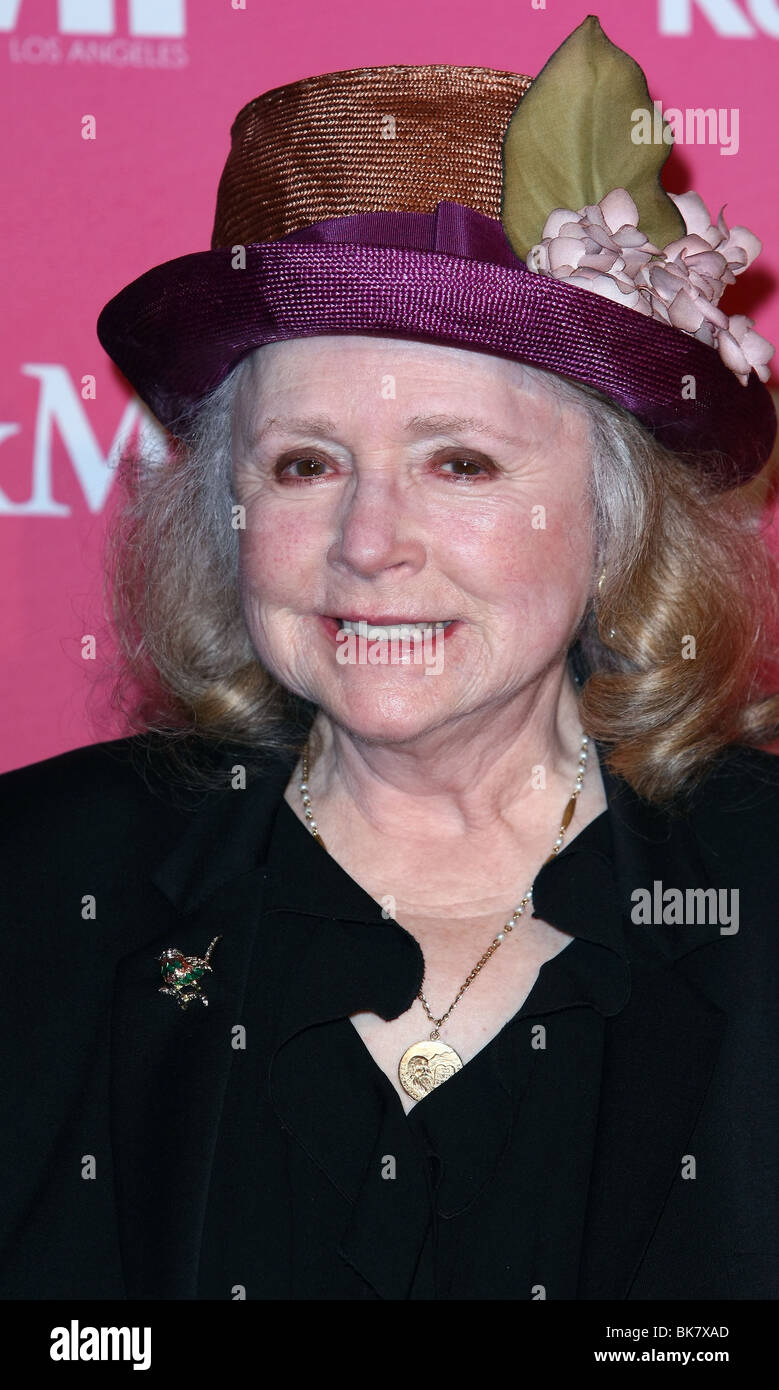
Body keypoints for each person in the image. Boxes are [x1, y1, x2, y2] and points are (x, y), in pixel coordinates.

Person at [2, 15, 779, 1301]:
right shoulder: (41, 882)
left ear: (612, 516)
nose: (367, 544)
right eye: (305, 464)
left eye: (457, 462)